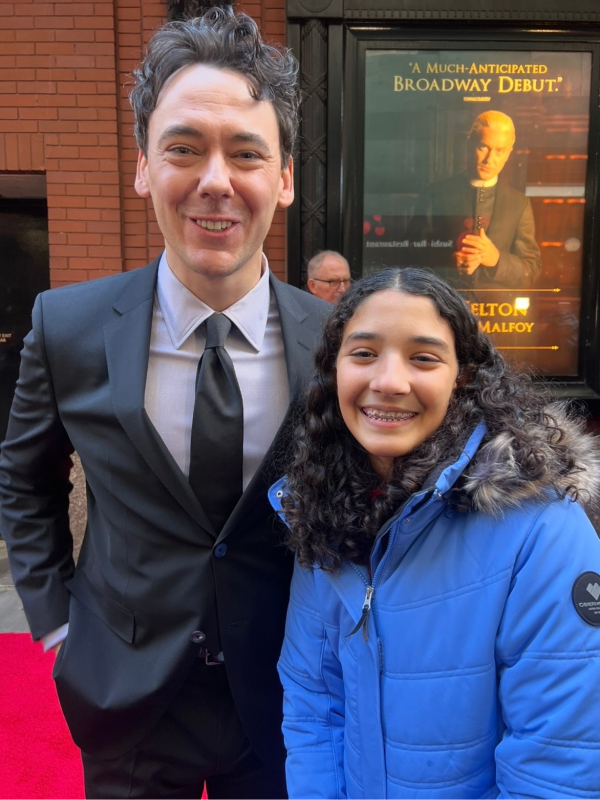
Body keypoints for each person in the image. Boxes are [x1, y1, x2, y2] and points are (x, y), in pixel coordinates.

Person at [0, 8, 329, 799]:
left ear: (282, 179)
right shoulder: (68, 325)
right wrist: (55, 620)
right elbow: (26, 479)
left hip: (289, 702)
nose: (216, 179)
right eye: (184, 147)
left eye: (246, 153)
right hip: (128, 699)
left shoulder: (338, 341)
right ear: (144, 165)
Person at [269, 267, 600, 799]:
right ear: (334, 369)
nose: (389, 381)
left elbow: (557, 763)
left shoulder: (543, 529)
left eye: (423, 357)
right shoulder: (323, 509)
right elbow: (314, 704)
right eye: (363, 353)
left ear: (462, 375)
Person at [414, 111, 541, 289]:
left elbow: (531, 271)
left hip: (500, 311)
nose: (490, 160)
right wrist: (448, 262)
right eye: (483, 147)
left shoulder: (519, 203)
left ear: (508, 154)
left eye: (499, 151)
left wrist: (496, 259)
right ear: (469, 144)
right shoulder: (434, 194)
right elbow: (408, 255)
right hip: (443, 306)